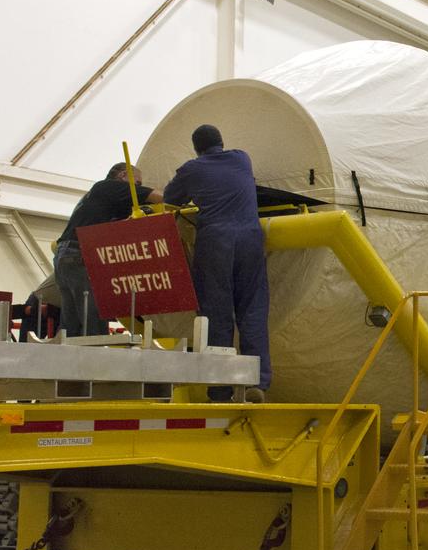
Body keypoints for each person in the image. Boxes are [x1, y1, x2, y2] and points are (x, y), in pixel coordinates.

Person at [164, 125, 271, 392]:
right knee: (253, 310)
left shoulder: (192, 168)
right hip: (250, 237)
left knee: (217, 313)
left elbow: (170, 198)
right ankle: (257, 383)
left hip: (216, 242)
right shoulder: (242, 157)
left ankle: (222, 389)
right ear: (222, 141)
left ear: (196, 147)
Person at [54, 162, 163, 336]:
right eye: (137, 183)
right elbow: (160, 197)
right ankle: (95, 359)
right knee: (94, 317)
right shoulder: (111, 187)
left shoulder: (97, 194)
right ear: (122, 176)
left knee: (71, 322)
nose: (138, 188)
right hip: (80, 254)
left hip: (65, 255)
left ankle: (70, 359)